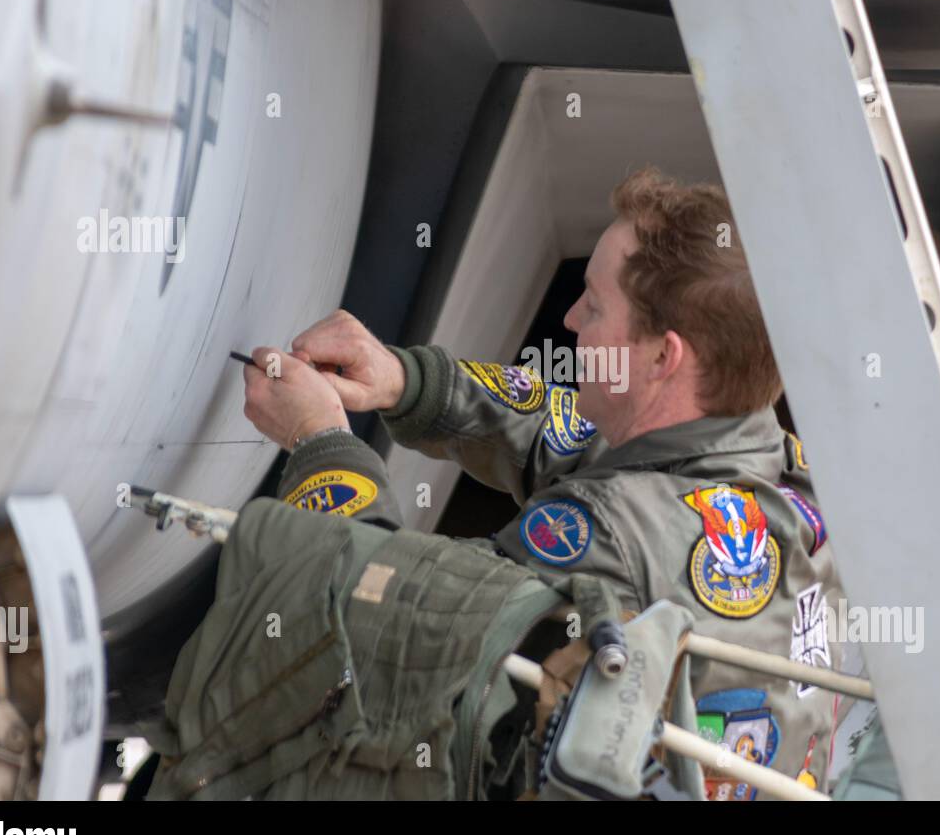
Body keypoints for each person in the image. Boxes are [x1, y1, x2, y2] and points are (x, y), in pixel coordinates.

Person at [225, 168, 842, 799]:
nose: (570, 318)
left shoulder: (613, 536)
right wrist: (407, 382)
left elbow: (371, 617)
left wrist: (320, 441)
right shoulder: (795, 485)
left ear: (664, 357)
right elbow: (584, 442)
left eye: (595, 305)